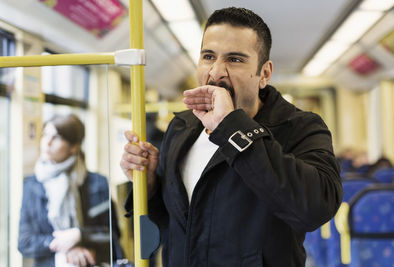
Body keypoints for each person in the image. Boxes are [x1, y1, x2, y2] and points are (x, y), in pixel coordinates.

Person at [120, 7, 343, 267]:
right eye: (208, 56)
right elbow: (173, 222)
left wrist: (231, 126)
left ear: (264, 74)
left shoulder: (300, 128)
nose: (216, 72)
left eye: (235, 59)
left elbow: (316, 209)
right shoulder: (181, 126)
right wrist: (149, 186)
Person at [18, 114, 122, 267]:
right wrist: (66, 247)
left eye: (56, 137)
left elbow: (112, 235)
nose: (47, 142)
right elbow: (24, 242)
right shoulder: (32, 185)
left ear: (74, 147)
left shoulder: (97, 183)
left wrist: (79, 235)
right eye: (45, 135)